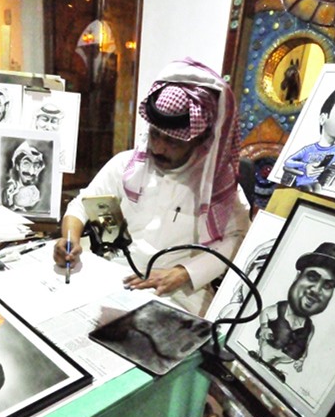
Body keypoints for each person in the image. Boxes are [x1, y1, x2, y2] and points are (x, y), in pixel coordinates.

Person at [53, 57, 251, 316]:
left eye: (173, 142)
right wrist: (69, 238)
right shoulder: (126, 165)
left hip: (179, 293)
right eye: (156, 135)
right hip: (115, 277)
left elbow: (239, 239)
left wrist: (183, 274)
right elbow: (83, 204)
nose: (158, 147)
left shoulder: (218, 186)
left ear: (199, 139)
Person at [248, 242, 335, 380]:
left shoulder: (309, 328)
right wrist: (264, 327)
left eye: (327, 285)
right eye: (312, 277)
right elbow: (265, 313)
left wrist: (301, 359)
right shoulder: (278, 310)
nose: (316, 290)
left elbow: (306, 344)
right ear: (297, 277)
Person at [283, 81, 335, 192]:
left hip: (315, 183)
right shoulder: (309, 149)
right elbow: (288, 161)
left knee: (317, 189)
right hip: (300, 184)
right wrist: (305, 166)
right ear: (323, 118)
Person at [2, 140, 46, 212]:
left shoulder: (37, 195)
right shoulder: (8, 192)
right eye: (26, 164)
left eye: (36, 166)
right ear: (17, 166)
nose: (31, 172)